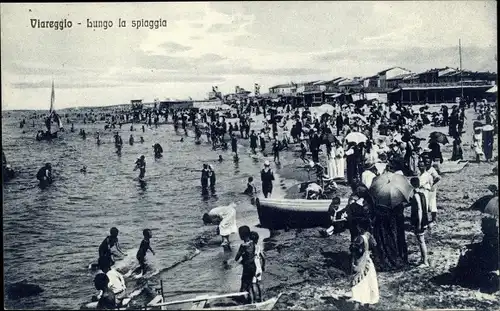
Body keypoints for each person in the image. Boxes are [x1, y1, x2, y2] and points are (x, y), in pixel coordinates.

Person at [348, 219, 379, 307]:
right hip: (369, 261)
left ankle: (357, 304)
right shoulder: (370, 236)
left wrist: (352, 247)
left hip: (361, 261)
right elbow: (374, 247)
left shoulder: (360, 238)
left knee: (359, 282)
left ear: (360, 227)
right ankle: (369, 302)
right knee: (370, 281)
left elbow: (357, 250)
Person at [409, 177, 430, 267]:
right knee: (421, 240)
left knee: (421, 241)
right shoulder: (422, 194)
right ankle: (423, 259)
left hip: (419, 220)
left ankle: (425, 262)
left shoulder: (416, 195)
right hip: (423, 220)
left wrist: (419, 223)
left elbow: (419, 210)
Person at [234, 226, 256, 303]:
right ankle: (254, 300)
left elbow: (236, 257)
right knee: (250, 284)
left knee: (245, 284)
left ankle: (249, 302)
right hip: (253, 266)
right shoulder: (253, 243)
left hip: (247, 268)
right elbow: (250, 255)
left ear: (242, 235)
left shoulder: (243, 246)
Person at [419, 158, 441, 224]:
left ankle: (434, 219)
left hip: (431, 189)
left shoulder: (432, 170)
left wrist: (432, 185)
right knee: (425, 204)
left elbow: (438, 177)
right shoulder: (422, 170)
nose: (427, 163)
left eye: (428, 162)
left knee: (432, 203)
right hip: (425, 190)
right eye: (426, 162)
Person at [250, 231, 265, 302]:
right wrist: (263, 266)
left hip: (252, 266)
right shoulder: (258, 247)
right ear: (257, 239)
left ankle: (255, 299)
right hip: (258, 266)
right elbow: (263, 258)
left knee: (253, 283)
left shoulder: (249, 248)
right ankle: (262, 299)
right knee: (259, 282)